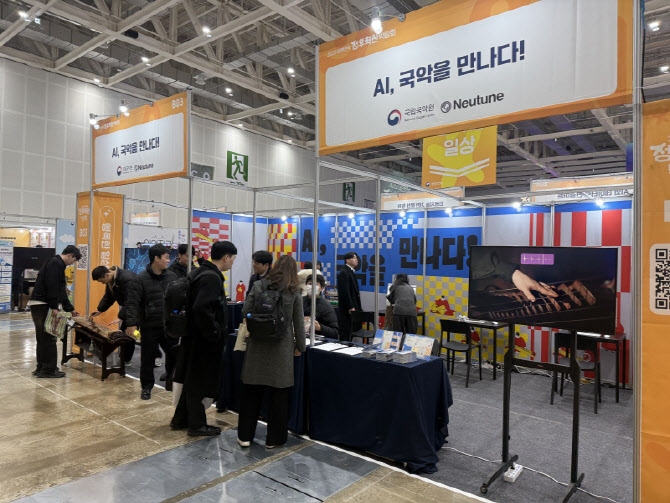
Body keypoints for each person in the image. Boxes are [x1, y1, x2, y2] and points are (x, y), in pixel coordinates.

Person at [237, 255, 306, 449]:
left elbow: (245, 310)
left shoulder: (259, 285)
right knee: (279, 397)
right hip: (281, 349)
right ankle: (274, 439)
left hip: (257, 346)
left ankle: (244, 436)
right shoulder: (294, 291)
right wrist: (300, 347)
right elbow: (299, 324)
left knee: (251, 393)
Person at [171, 241, 237, 436]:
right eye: (233, 259)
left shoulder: (200, 272)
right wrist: (214, 333)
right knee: (199, 383)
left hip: (193, 336)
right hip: (203, 340)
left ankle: (180, 419)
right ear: (226, 257)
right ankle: (197, 424)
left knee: (192, 379)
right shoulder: (211, 277)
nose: (232, 263)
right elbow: (202, 308)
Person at [125, 243, 178, 400]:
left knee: (174, 355)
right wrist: (131, 324)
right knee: (147, 359)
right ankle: (146, 387)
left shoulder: (172, 277)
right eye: (166, 257)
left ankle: (171, 382)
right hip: (149, 326)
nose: (168, 261)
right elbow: (132, 303)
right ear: (156, 258)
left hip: (169, 326)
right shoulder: (140, 279)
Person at [28, 245, 81, 378]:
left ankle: (41, 367)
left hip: (39, 304)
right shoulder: (56, 264)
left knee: (42, 338)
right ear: (70, 255)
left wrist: (70, 309)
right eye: (74, 261)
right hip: (43, 305)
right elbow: (52, 286)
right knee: (49, 337)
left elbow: (61, 289)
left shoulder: (54, 263)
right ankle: (48, 370)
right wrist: (54, 307)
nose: (72, 264)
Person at [90, 265, 140, 363]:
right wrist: (100, 310)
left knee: (129, 334)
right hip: (131, 309)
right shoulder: (111, 280)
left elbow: (131, 301)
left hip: (140, 308)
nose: (102, 283)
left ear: (106, 275)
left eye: (102, 281)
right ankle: (128, 356)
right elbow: (108, 297)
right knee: (130, 333)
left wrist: (120, 316)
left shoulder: (127, 279)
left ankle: (127, 359)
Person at [303, 274, 338, 339]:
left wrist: (320, 328)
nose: (311, 287)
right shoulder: (299, 302)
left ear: (321, 288)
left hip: (317, 340)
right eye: (309, 284)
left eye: (315, 284)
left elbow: (335, 332)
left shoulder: (326, 307)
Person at [336, 251, 362, 342]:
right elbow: (345, 292)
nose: (356, 260)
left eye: (356, 258)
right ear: (347, 260)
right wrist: (350, 306)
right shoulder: (344, 272)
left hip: (352, 306)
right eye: (354, 258)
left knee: (352, 329)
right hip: (347, 308)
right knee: (346, 330)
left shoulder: (350, 271)